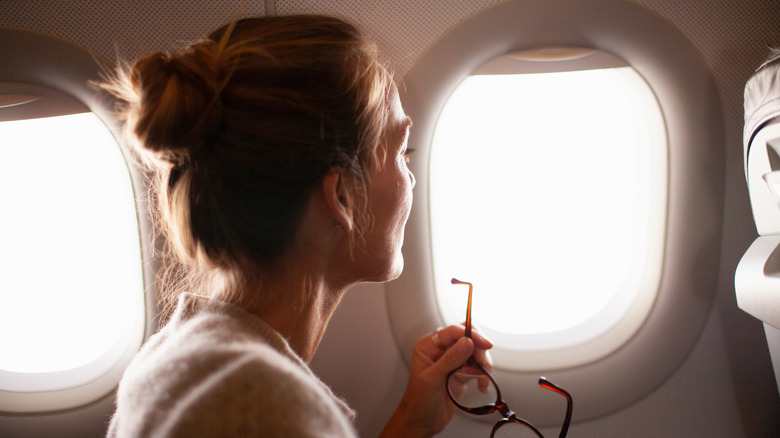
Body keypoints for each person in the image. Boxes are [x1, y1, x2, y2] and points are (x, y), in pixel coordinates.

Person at [102, 14, 492, 438]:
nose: (411, 177)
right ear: (342, 196)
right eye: (403, 152)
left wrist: (410, 423)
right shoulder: (265, 408)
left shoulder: (179, 357)